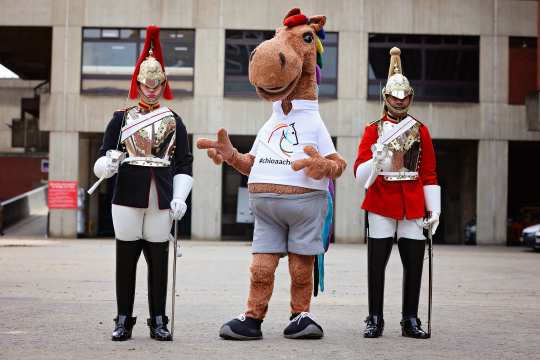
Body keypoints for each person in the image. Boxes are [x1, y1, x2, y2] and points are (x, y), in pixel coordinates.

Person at [197, 8, 346, 340]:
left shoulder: (313, 120)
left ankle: (300, 315)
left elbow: (339, 163)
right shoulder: (272, 119)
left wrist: (324, 166)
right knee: (260, 269)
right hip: (266, 210)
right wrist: (232, 155)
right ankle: (252, 318)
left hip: (305, 204)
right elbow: (254, 163)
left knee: (300, 267)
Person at [93, 25, 193, 341]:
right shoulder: (119, 119)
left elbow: (183, 164)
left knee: (159, 264)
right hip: (126, 195)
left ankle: (158, 319)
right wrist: (107, 165)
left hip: (161, 197)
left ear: (163, 84)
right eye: (146, 85)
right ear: (138, 83)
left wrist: (181, 196)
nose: (151, 90)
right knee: (125, 262)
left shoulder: (175, 120)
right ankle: (123, 318)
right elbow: (100, 162)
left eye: (156, 84)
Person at [353, 47, 441, 339]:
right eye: (394, 97)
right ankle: (374, 317)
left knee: (414, 266)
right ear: (386, 97)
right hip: (381, 201)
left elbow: (428, 173)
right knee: (376, 266)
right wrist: (374, 161)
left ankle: (410, 319)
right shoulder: (373, 130)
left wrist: (434, 209)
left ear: (410, 98)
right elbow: (358, 175)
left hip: (413, 204)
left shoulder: (421, 130)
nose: (399, 102)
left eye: (404, 97)